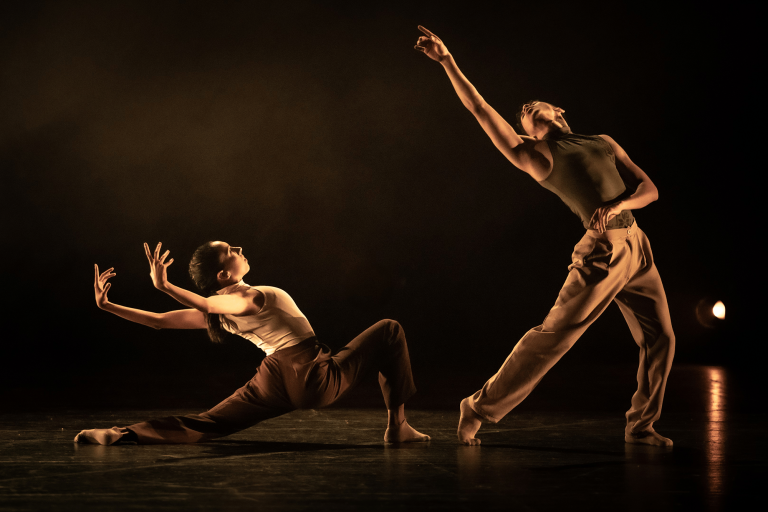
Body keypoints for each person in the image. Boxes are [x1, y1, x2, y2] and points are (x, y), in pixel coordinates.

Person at [414, 26, 675, 447]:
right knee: (554, 337)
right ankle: (477, 407)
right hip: (602, 253)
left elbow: (650, 189)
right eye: (523, 116)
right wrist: (447, 61)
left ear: (558, 110)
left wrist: (620, 206)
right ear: (530, 134)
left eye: (534, 106)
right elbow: (479, 108)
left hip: (637, 245)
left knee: (661, 337)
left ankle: (641, 426)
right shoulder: (535, 156)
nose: (526, 108)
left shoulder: (603, 141)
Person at [75, 241, 430, 445]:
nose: (239, 248)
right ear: (223, 275)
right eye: (230, 249)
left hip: (272, 378)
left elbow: (158, 322)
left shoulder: (224, 313)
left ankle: (118, 436)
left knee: (209, 423)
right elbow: (208, 304)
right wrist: (164, 287)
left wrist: (107, 306)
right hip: (309, 373)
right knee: (389, 330)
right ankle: (397, 426)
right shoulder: (248, 298)